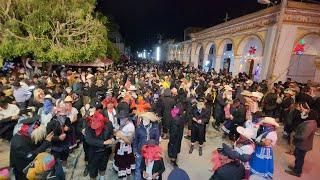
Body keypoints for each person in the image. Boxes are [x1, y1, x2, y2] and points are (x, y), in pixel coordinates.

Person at [10, 116, 53, 180]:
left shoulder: (25, 135)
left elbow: (35, 142)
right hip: (23, 170)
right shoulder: (19, 143)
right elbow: (30, 156)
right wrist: (46, 143)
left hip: (28, 165)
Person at [285, 103, 317, 177]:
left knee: (299, 158)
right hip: (303, 144)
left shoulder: (309, 124)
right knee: (298, 156)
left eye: (307, 113)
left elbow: (303, 136)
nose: (306, 114)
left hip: (303, 145)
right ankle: (296, 168)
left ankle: (297, 172)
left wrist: (295, 136)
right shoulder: (312, 122)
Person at [85, 106, 114, 180]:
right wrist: (103, 142)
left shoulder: (109, 124)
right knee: (93, 172)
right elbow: (89, 140)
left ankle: (102, 177)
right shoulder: (89, 125)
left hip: (105, 152)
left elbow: (111, 134)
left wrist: (112, 140)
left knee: (103, 168)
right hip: (93, 152)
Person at [134, 112, 160, 180]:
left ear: (150, 120)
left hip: (150, 153)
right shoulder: (139, 128)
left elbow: (157, 142)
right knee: (138, 169)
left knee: (148, 170)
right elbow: (135, 140)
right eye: (143, 119)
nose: (144, 120)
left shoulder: (155, 128)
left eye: (146, 119)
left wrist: (153, 150)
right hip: (140, 152)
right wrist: (135, 151)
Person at [113, 110, 136, 178]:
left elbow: (129, 141)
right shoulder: (124, 124)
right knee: (120, 160)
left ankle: (125, 175)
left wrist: (121, 136)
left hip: (125, 147)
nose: (120, 119)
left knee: (124, 161)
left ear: (126, 118)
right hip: (120, 145)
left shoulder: (130, 126)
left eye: (121, 118)